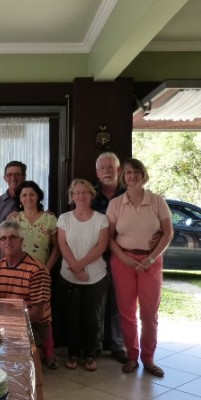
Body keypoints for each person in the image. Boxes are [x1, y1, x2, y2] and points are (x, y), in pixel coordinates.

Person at [106, 158, 173, 377]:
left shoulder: (157, 201)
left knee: (149, 314)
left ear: (143, 175)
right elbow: (109, 237)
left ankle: (149, 359)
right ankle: (132, 357)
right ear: (123, 178)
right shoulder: (116, 204)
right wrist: (124, 259)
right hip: (123, 262)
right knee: (126, 313)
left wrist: (152, 258)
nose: (131, 176)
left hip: (150, 262)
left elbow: (168, 233)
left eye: (136, 172)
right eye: (127, 173)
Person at [56, 179, 109, 371]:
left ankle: (89, 354)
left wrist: (81, 266)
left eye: (85, 192)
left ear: (91, 195)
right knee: (72, 318)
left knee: (93, 318)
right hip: (69, 276)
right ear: (71, 196)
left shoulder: (101, 219)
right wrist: (76, 268)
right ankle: (73, 354)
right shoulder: (64, 218)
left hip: (95, 276)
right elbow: (62, 244)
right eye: (76, 193)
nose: (80, 196)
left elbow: (101, 246)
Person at [0, 220, 53, 364]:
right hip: (7, 321)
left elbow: (38, 314)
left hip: (34, 325)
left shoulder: (36, 270)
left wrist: (8, 326)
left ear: (21, 241)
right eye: (3, 238)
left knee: (7, 345)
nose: (8, 242)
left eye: (13, 237)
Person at [91, 152, 129, 363]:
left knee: (118, 301)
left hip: (121, 255)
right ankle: (95, 344)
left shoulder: (128, 195)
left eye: (110, 167)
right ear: (97, 173)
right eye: (102, 168)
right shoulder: (89, 194)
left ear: (118, 170)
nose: (106, 171)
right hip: (95, 255)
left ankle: (118, 344)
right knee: (97, 301)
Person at [7, 180, 60, 270]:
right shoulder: (14, 219)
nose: (28, 198)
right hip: (17, 270)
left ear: (38, 196)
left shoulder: (49, 218)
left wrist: (46, 270)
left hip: (41, 269)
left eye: (32, 194)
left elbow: (56, 247)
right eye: (24, 195)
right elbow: (8, 245)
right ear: (19, 198)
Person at [0, 161, 26, 257]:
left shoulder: (31, 200)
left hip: (28, 247)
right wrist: (5, 223)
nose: (13, 178)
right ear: (5, 178)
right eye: (9, 175)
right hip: (2, 249)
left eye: (17, 175)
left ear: (24, 177)